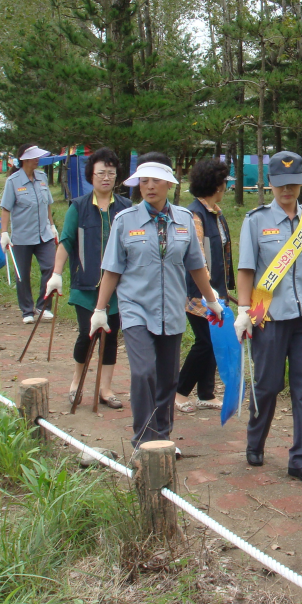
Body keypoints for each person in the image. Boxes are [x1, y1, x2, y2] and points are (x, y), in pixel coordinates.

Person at [90, 153, 222, 451]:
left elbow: (197, 266)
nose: (149, 186)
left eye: (156, 181)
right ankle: (143, 440)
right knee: (143, 371)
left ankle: (162, 438)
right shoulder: (125, 221)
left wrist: (211, 300)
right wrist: (100, 309)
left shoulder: (185, 220)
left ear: (168, 184)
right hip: (136, 307)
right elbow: (112, 269)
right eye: (143, 181)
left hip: (171, 309)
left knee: (166, 379)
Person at [233, 150, 302, 484]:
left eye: (293, 184)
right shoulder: (255, 221)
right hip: (269, 315)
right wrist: (244, 310)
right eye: (280, 185)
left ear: (301, 182)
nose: (287, 191)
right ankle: (255, 441)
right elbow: (246, 269)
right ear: (270, 185)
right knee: (268, 384)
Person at [44, 148, 131, 409]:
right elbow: (66, 241)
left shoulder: (126, 208)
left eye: (111, 173)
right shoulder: (78, 207)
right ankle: (76, 382)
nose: (106, 178)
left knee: (111, 334)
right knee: (87, 333)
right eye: (101, 173)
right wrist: (56, 274)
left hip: (117, 288)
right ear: (90, 175)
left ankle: (105, 389)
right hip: (86, 285)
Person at [175, 158, 236, 413]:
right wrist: (208, 290)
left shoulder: (216, 214)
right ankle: (178, 391)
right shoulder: (195, 215)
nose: (226, 187)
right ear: (216, 185)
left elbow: (222, 252)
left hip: (216, 290)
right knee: (205, 341)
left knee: (215, 337)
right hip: (198, 291)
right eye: (224, 183)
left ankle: (206, 393)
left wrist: (225, 287)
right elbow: (196, 256)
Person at [0, 144, 58, 324]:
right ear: (24, 159)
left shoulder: (42, 177)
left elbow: (47, 202)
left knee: (50, 266)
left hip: (44, 234)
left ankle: (43, 306)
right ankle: (27, 311)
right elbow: (5, 208)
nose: (37, 159)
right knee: (22, 274)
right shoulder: (13, 181)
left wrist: (52, 225)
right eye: (33, 156)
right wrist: (4, 232)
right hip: (22, 236)